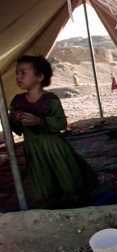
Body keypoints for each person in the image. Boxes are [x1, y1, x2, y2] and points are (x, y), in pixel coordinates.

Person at [9, 55, 96, 209]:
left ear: (40, 76)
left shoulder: (50, 99)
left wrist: (40, 121)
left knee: (65, 176)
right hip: (33, 149)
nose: (18, 76)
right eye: (17, 73)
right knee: (42, 180)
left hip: (54, 148)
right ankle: (51, 207)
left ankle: (74, 204)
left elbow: (61, 123)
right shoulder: (17, 101)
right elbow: (16, 130)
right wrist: (14, 119)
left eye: (23, 72)